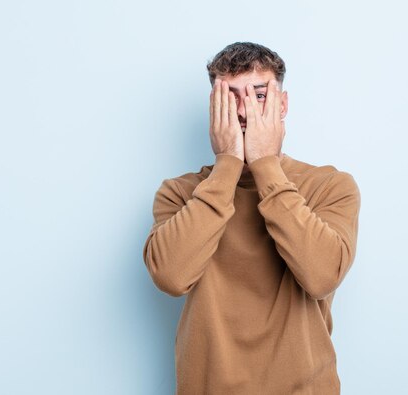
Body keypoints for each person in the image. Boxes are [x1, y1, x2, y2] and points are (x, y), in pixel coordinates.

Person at [142, 42, 361, 394]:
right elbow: (170, 277)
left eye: (259, 95)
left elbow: (321, 276)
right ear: (213, 108)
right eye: (230, 98)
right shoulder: (180, 193)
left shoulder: (330, 186)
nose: (244, 111)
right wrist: (228, 164)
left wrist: (264, 164)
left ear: (283, 105)